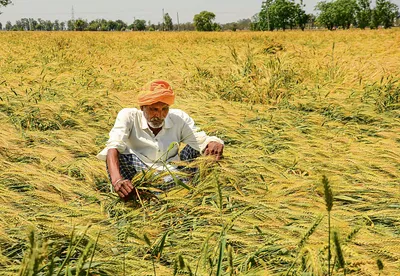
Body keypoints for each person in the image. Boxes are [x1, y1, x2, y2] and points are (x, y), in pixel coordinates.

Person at [97, 80, 224, 200]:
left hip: (173, 171)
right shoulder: (129, 116)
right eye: (154, 109)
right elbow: (113, 146)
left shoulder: (179, 118)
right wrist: (117, 180)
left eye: (164, 109)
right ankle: (132, 192)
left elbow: (200, 139)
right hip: (139, 171)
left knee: (205, 149)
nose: (159, 115)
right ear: (142, 107)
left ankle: (190, 188)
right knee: (116, 154)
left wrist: (213, 142)